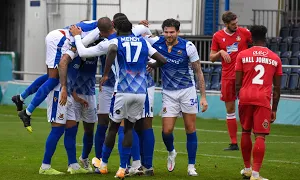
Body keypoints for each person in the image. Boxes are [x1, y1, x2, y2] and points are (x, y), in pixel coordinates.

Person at [64, 14, 152, 167]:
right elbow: (149, 37)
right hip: (137, 87)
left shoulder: (109, 42)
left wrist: (77, 37)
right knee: (128, 125)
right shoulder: (138, 35)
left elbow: (83, 51)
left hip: (117, 86)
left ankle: (103, 162)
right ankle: (135, 164)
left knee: (110, 125)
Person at [93, 16, 166, 179]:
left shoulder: (118, 42)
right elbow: (163, 60)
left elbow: (111, 50)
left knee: (113, 127)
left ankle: (103, 165)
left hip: (122, 91)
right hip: (141, 93)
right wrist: (152, 65)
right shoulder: (143, 42)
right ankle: (121, 168)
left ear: (116, 29)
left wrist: (105, 74)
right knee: (129, 129)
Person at [12, 20, 101, 133]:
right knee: (54, 79)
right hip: (60, 40)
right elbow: (81, 47)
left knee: (51, 76)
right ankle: (27, 112)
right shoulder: (99, 31)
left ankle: (20, 97)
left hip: (58, 36)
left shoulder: (96, 25)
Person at [144, 18, 208, 176]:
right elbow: (139, 39)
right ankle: (171, 151)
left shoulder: (188, 46)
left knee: (190, 128)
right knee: (166, 131)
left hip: (187, 91)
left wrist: (203, 97)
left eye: (172, 32)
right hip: (168, 93)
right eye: (166, 32)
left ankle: (191, 166)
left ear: (178, 32)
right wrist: (142, 27)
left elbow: (198, 71)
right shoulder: (156, 43)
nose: (168, 35)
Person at [236, 25, 282, 180]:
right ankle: (255, 174)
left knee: (245, 131)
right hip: (262, 99)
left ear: (251, 38)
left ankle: (247, 169)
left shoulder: (242, 55)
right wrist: (274, 108)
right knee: (260, 136)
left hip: (245, 97)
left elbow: (237, 83)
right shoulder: (275, 58)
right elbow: (277, 87)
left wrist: (240, 97)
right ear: (265, 37)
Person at [38, 56, 90, 175]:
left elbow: (69, 78)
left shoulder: (80, 58)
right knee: (57, 130)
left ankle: (73, 165)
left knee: (72, 129)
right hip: (59, 93)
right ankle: (45, 166)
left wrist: (75, 96)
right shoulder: (68, 54)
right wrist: (64, 89)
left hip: (69, 95)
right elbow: (57, 69)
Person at [209, 11, 252, 150]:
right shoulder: (218, 36)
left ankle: (247, 137)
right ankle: (234, 143)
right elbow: (211, 57)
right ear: (226, 24)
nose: (236, 26)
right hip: (228, 77)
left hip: (244, 77)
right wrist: (220, 52)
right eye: (233, 24)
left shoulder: (245, 33)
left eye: (237, 23)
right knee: (230, 109)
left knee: (245, 107)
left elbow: (256, 46)